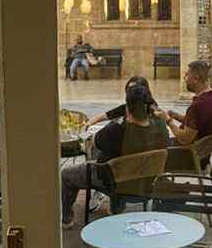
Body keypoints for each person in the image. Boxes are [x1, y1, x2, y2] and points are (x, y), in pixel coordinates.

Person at [61, 79, 169, 228]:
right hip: (147, 181)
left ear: (127, 108)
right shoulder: (161, 126)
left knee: (66, 175)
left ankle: (66, 220)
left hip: (115, 181)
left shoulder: (117, 130)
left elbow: (96, 142)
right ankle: (115, 206)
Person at [165, 58, 212, 158]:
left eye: (187, 75)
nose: (184, 78)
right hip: (199, 151)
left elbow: (184, 139)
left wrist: (168, 121)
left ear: (196, 79)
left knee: (152, 148)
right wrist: (175, 115)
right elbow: (196, 123)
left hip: (188, 155)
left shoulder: (198, 106)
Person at [87, 75, 158, 128]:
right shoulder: (127, 107)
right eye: (129, 89)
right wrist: (88, 123)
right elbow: (105, 116)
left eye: (134, 89)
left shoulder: (154, 112)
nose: (130, 92)